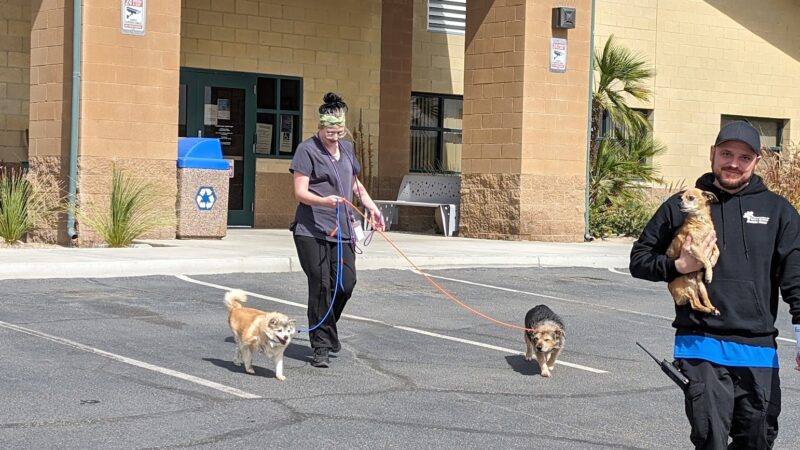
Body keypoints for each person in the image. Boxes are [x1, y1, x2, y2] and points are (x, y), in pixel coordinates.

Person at [629, 120, 800, 449]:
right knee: (711, 441)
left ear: (756, 161)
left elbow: (796, 276)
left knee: (758, 440)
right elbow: (639, 259)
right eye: (726, 153)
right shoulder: (683, 204)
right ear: (712, 154)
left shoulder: (778, 211)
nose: (733, 163)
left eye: (743, 157)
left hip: (758, 349)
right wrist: (678, 265)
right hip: (701, 344)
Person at [289, 92, 385, 368]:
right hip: (311, 229)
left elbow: (355, 185)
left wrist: (371, 207)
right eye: (330, 131)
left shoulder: (348, 151)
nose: (334, 136)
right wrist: (323, 200)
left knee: (346, 284)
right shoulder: (306, 150)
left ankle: (327, 329)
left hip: (342, 229)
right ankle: (320, 345)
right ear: (320, 127)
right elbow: (300, 192)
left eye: (339, 131)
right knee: (321, 285)